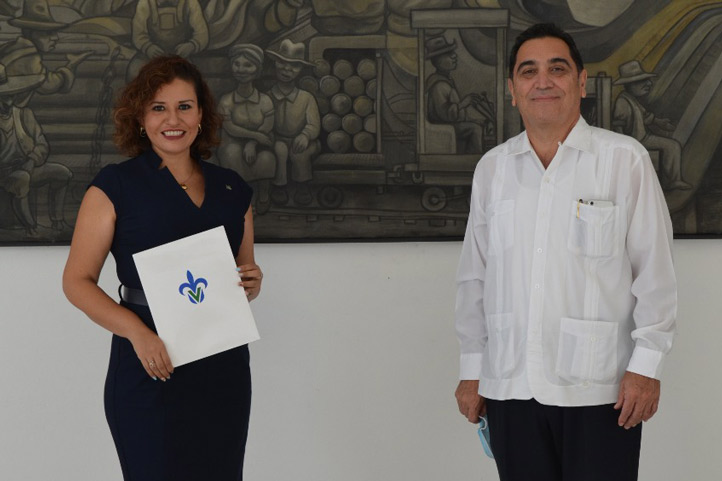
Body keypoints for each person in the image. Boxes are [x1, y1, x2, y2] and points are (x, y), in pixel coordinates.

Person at [454, 24, 676, 481]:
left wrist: (646, 366)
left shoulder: (623, 160)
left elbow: (655, 273)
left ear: (581, 82)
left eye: (557, 69)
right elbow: (475, 276)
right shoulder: (493, 169)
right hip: (510, 384)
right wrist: (473, 368)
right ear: (512, 89)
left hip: (601, 389)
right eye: (528, 71)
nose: (543, 81)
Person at [62, 55, 262, 481]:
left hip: (223, 368)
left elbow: (243, 273)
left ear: (201, 114)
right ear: (140, 117)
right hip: (150, 365)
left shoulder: (233, 189)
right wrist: (138, 334)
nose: (173, 119)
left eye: (184, 106)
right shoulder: (115, 186)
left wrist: (252, 280)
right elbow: (76, 282)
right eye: (159, 108)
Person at [0, 62, 72, 236]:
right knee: (21, 180)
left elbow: (42, 144)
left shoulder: (24, 115)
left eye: (10, 95)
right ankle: (31, 228)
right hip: (4, 173)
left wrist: (31, 161)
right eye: (4, 96)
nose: (8, 101)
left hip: (27, 167)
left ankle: (58, 221)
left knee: (63, 173)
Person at [612, 60, 691, 191]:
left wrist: (660, 123)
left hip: (643, 138)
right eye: (641, 81)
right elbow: (618, 125)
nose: (648, 84)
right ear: (629, 85)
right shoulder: (622, 102)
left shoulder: (633, 100)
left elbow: (646, 117)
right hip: (633, 141)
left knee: (673, 146)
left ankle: (674, 180)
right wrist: (624, 146)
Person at [217, 43, 276, 215]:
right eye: (237, 64)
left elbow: (268, 125)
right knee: (233, 153)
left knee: (266, 158)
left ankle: (263, 195)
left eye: (247, 65)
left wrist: (252, 143)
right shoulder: (226, 100)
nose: (241, 70)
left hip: (258, 145)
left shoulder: (265, 100)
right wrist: (255, 136)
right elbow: (230, 128)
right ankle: (241, 198)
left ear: (257, 70)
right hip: (231, 144)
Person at [266, 38, 321, 206]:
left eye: (295, 65)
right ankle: (279, 186)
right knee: (280, 149)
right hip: (278, 139)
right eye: (282, 62)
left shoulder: (306, 98)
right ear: (275, 63)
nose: (287, 69)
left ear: (301, 70)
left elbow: (314, 124)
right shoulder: (268, 97)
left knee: (300, 152)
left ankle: (302, 187)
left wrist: (305, 135)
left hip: (304, 141)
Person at [425, 35, 489, 153]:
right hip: (443, 127)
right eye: (448, 54)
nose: (454, 56)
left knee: (477, 125)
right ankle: (473, 160)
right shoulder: (439, 85)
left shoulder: (445, 81)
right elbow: (446, 115)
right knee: (475, 129)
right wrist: (464, 103)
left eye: (453, 52)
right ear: (438, 61)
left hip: (449, 125)